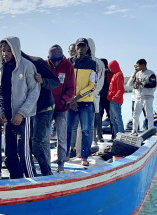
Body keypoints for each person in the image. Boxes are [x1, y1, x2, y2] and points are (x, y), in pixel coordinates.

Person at [0, 36, 40, 179]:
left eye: (8, 50)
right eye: (3, 50)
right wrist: (0, 112)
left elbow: (34, 91)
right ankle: (16, 181)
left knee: (24, 151)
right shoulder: (1, 68)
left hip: (23, 117)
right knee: (9, 153)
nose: (5, 54)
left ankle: (32, 181)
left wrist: (21, 113)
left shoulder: (27, 66)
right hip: (7, 117)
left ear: (15, 49)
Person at [24, 49, 60, 176]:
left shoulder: (37, 62)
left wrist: (43, 80)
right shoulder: (10, 66)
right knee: (27, 143)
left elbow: (55, 82)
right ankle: (32, 171)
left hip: (44, 108)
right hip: (29, 110)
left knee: (37, 142)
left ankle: (47, 172)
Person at [45, 45, 75, 173]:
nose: (55, 63)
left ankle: (61, 164)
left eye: (57, 60)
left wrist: (63, 100)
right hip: (46, 108)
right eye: (53, 60)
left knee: (61, 137)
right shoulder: (45, 65)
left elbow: (72, 89)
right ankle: (46, 165)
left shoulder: (68, 66)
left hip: (62, 108)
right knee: (45, 137)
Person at [67, 38, 97, 166]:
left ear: (87, 48)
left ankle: (84, 157)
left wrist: (76, 97)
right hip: (70, 103)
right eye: (79, 46)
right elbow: (66, 82)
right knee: (67, 129)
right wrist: (70, 99)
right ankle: (65, 155)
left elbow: (92, 85)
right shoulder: (69, 62)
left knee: (85, 130)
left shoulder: (92, 64)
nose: (81, 49)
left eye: (83, 47)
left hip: (85, 102)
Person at [87, 38, 105, 144]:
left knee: (94, 119)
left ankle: (95, 140)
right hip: (83, 97)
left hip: (93, 96)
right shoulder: (82, 61)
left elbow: (100, 81)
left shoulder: (99, 63)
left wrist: (93, 91)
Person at [131, 59, 157, 135]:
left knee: (149, 115)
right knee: (135, 115)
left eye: (138, 65)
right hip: (138, 97)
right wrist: (135, 86)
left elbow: (152, 84)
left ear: (143, 65)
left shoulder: (151, 73)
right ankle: (134, 131)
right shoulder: (138, 74)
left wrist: (141, 83)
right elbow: (134, 84)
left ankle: (151, 130)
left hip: (148, 97)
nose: (137, 67)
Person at [107, 60, 125, 137]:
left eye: (110, 67)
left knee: (117, 119)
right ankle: (116, 137)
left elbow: (121, 89)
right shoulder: (115, 74)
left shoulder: (119, 75)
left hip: (116, 101)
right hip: (112, 101)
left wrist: (114, 98)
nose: (110, 69)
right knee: (113, 120)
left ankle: (121, 136)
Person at [98, 58, 114, 141]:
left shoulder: (110, 73)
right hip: (100, 98)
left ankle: (113, 135)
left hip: (108, 98)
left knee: (111, 116)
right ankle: (99, 136)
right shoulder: (98, 73)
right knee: (98, 117)